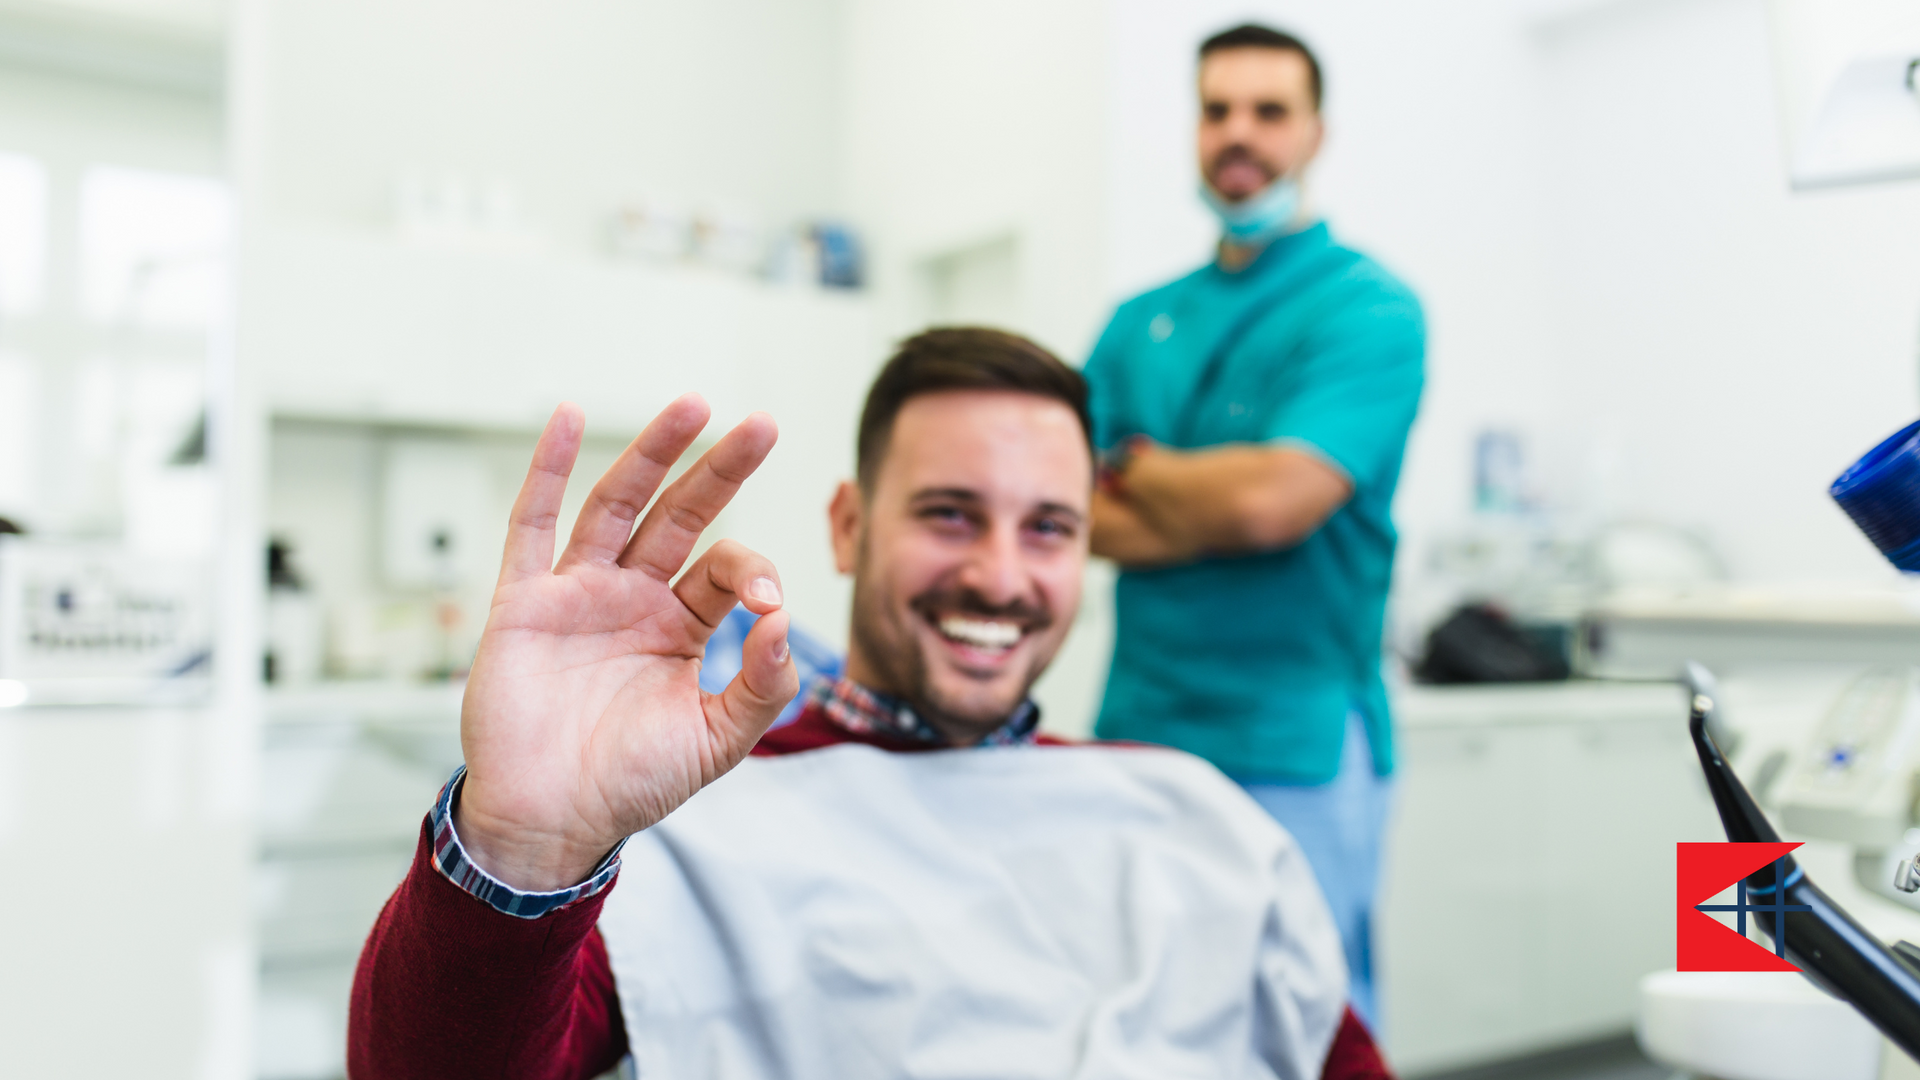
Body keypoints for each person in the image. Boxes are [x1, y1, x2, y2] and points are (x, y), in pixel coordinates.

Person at [347, 328, 1394, 1079]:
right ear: (848, 528)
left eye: (1049, 530)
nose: (999, 575)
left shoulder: (1192, 816)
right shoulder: (680, 829)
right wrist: (524, 844)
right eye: (949, 514)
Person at [1083, 24, 1425, 1030]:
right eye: (1216, 109)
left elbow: (1275, 501)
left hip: (1297, 743)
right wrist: (1214, 505)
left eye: (1269, 111)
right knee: (1143, 1018)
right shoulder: (1137, 318)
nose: (1240, 134)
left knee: (1309, 1022)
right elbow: (1059, 508)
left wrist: (1135, 470)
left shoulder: (1368, 308)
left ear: (1315, 131)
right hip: (1144, 724)